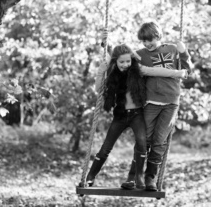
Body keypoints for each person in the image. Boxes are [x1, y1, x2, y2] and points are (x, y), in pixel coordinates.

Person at [81, 44, 188, 189]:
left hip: (137, 115)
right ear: (115, 62)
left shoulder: (138, 71)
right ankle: (90, 177)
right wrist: (102, 69)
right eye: (121, 62)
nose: (125, 65)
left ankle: (138, 178)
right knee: (106, 147)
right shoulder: (112, 75)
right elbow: (99, 88)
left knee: (142, 143)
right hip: (120, 116)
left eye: (128, 61)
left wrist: (178, 73)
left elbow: (157, 70)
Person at [121, 21, 192, 191]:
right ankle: (133, 177)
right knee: (143, 139)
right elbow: (120, 58)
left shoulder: (172, 50)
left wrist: (183, 52)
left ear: (158, 36)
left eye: (150, 40)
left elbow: (187, 71)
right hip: (151, 102)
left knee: (159, 141)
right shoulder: (140, 54)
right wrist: (105, 43)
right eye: (144, 41)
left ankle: (150, 178)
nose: (147, 44)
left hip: (171, 103)